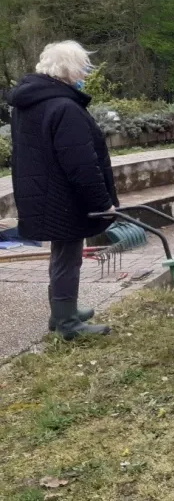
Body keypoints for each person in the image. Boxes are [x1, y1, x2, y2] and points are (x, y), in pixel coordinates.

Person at [7, 41, 117, 339]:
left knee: (63, 253)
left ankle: (62, 311)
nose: (84, 73)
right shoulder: (64, 106)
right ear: (68, 69)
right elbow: (81, 164)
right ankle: (68, 323)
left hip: (42, 194)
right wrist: (103, 203)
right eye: (82, 67)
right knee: (69, 255)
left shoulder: (30, 103)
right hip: (63, 196)